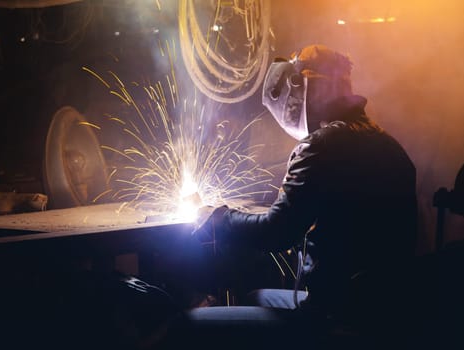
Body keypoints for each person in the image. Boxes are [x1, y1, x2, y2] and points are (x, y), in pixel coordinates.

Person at [160, 44, 418, 349]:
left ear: (308, 89)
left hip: (335, 318)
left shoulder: (322, 144)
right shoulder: (387, 144)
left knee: (184, 326)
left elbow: (277, 233)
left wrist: (217, 217)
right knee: (256, 296)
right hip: (383, 312)